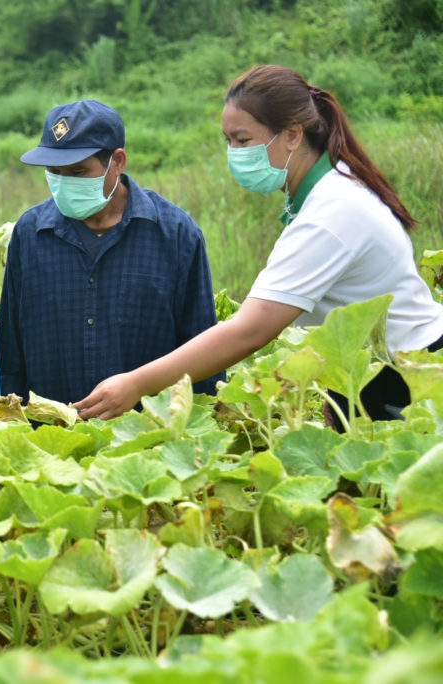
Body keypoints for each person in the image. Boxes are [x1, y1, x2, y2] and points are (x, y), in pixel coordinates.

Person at [75, 64, 443, 426]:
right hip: (376, 374)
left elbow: (249, 331)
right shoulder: (328, 189)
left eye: (244, 140)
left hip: (412, 377)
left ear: (292, 135)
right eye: (229, 141)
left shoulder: (331, 213)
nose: (235, 153)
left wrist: (136, 384)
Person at [0, 100, 222, 409]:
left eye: (78, 171)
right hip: (50, 439)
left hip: (146, 438)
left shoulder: (177, 235)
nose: (64, 183)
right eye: (54, 172)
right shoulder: (31, 233)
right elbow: (10, 352)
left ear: (117, 162)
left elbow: (203, 351)